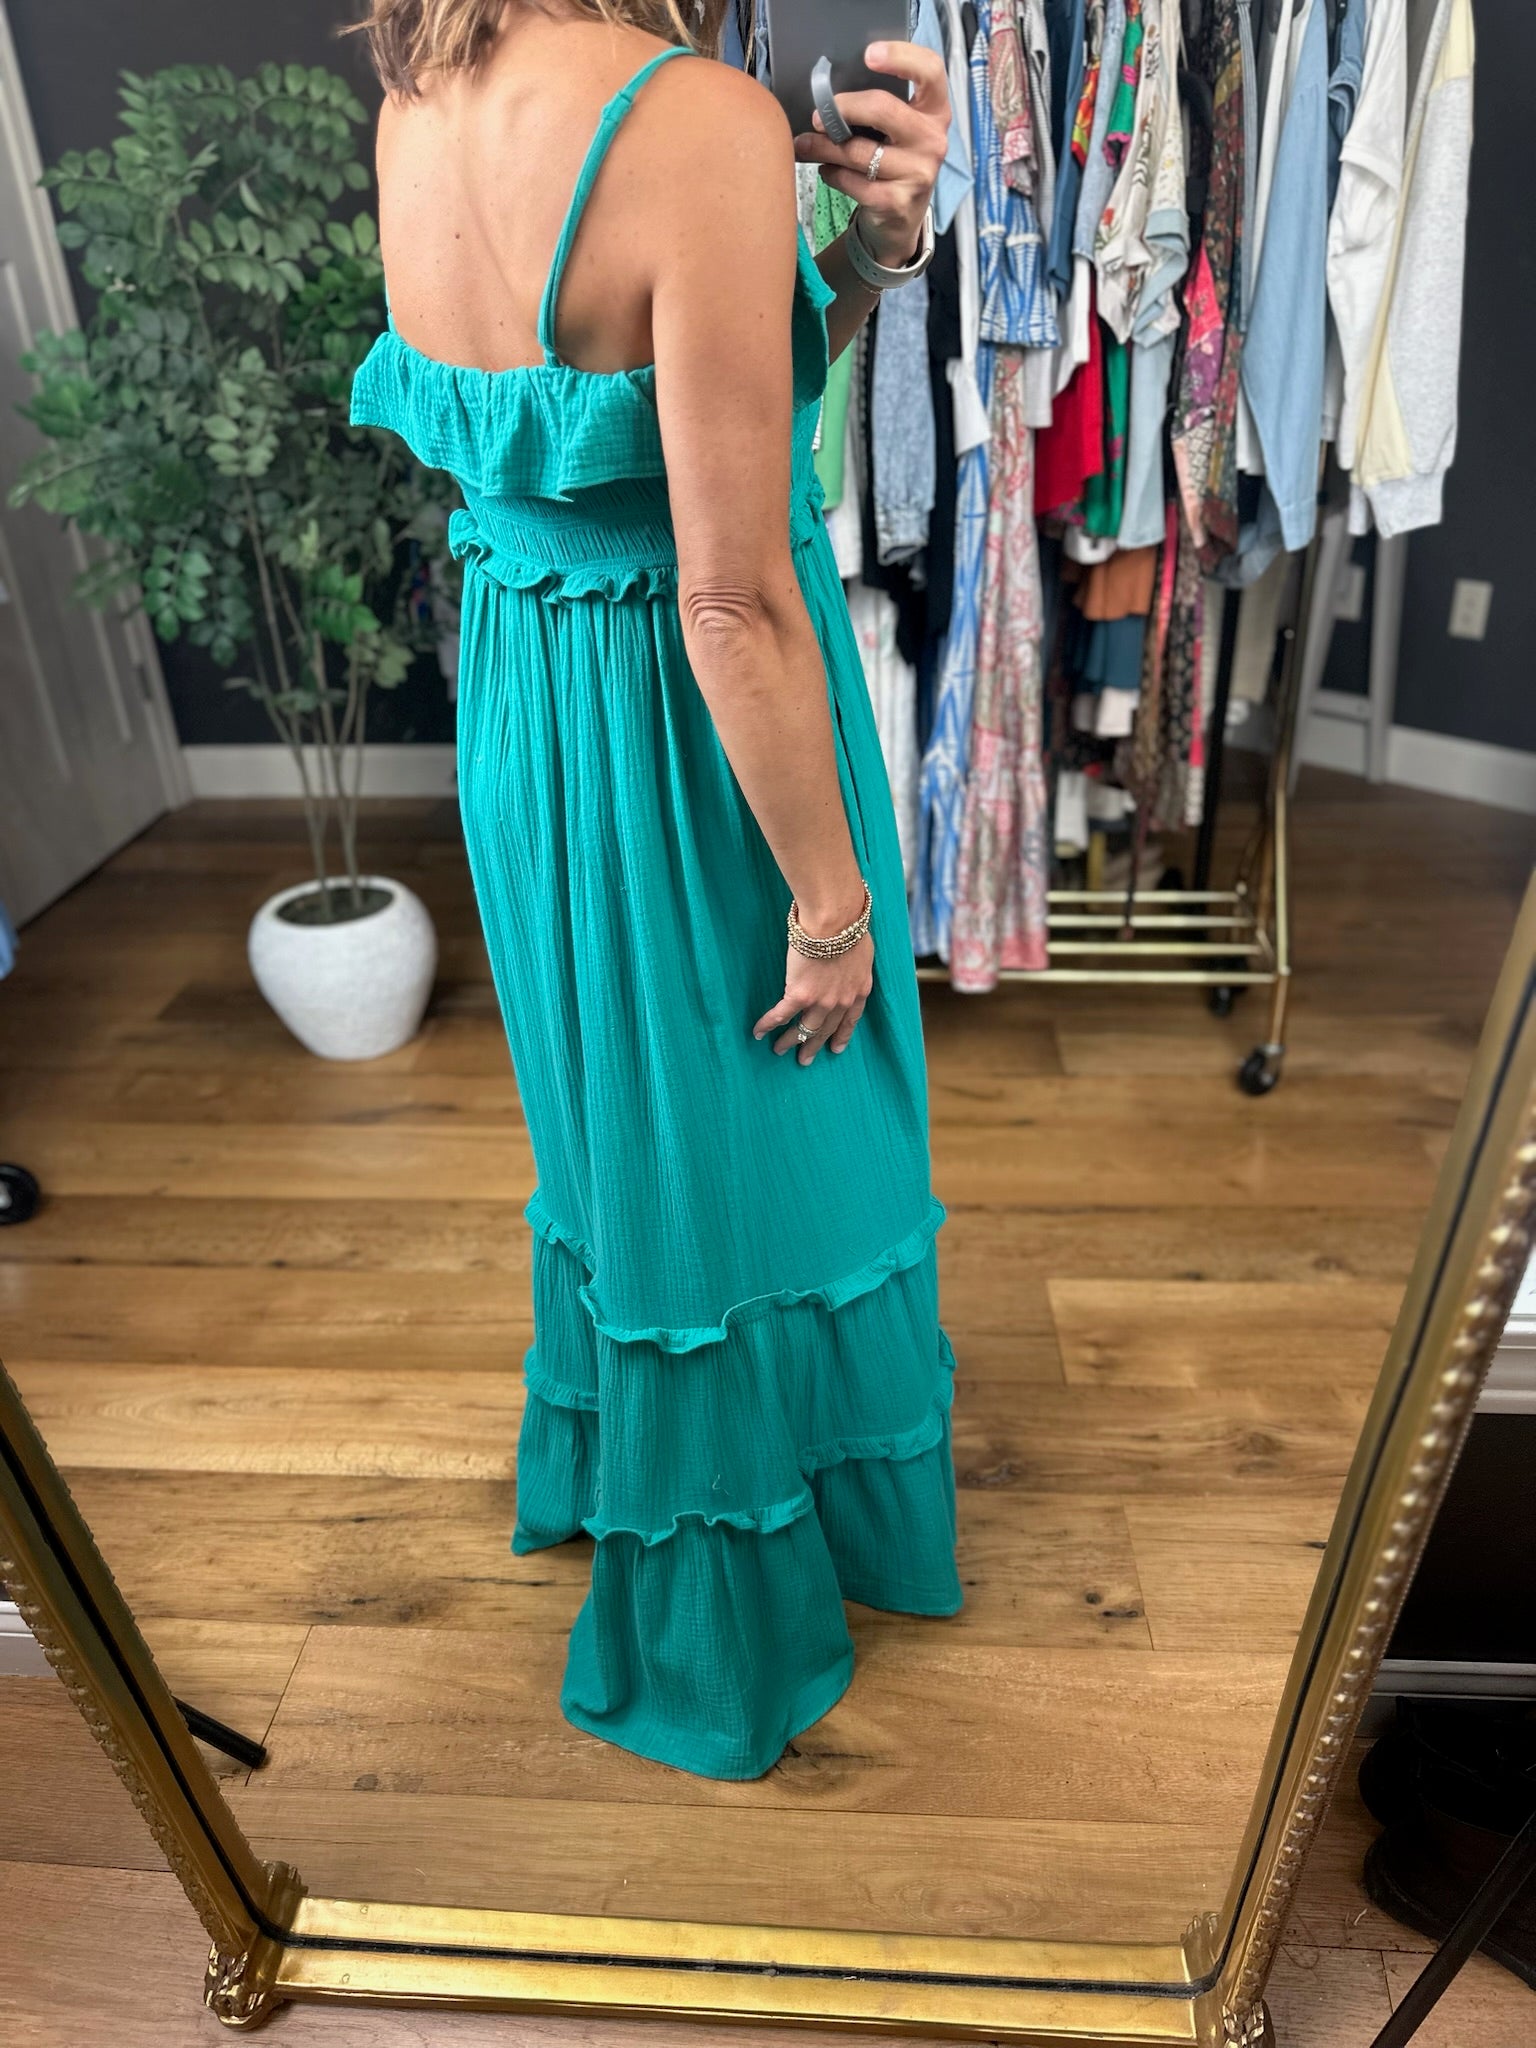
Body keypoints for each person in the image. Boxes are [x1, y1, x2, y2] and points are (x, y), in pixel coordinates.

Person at [351, 0, 962, 1780]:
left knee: (634, 1136)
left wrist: (862, 260)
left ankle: (646, 1467)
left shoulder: (418, 100)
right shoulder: (690, 116)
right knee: (790, 1126)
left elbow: (623, 427)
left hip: (532, 701)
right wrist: (833, 905)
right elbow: (729, 591)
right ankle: (724, 1618)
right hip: (687, 724)